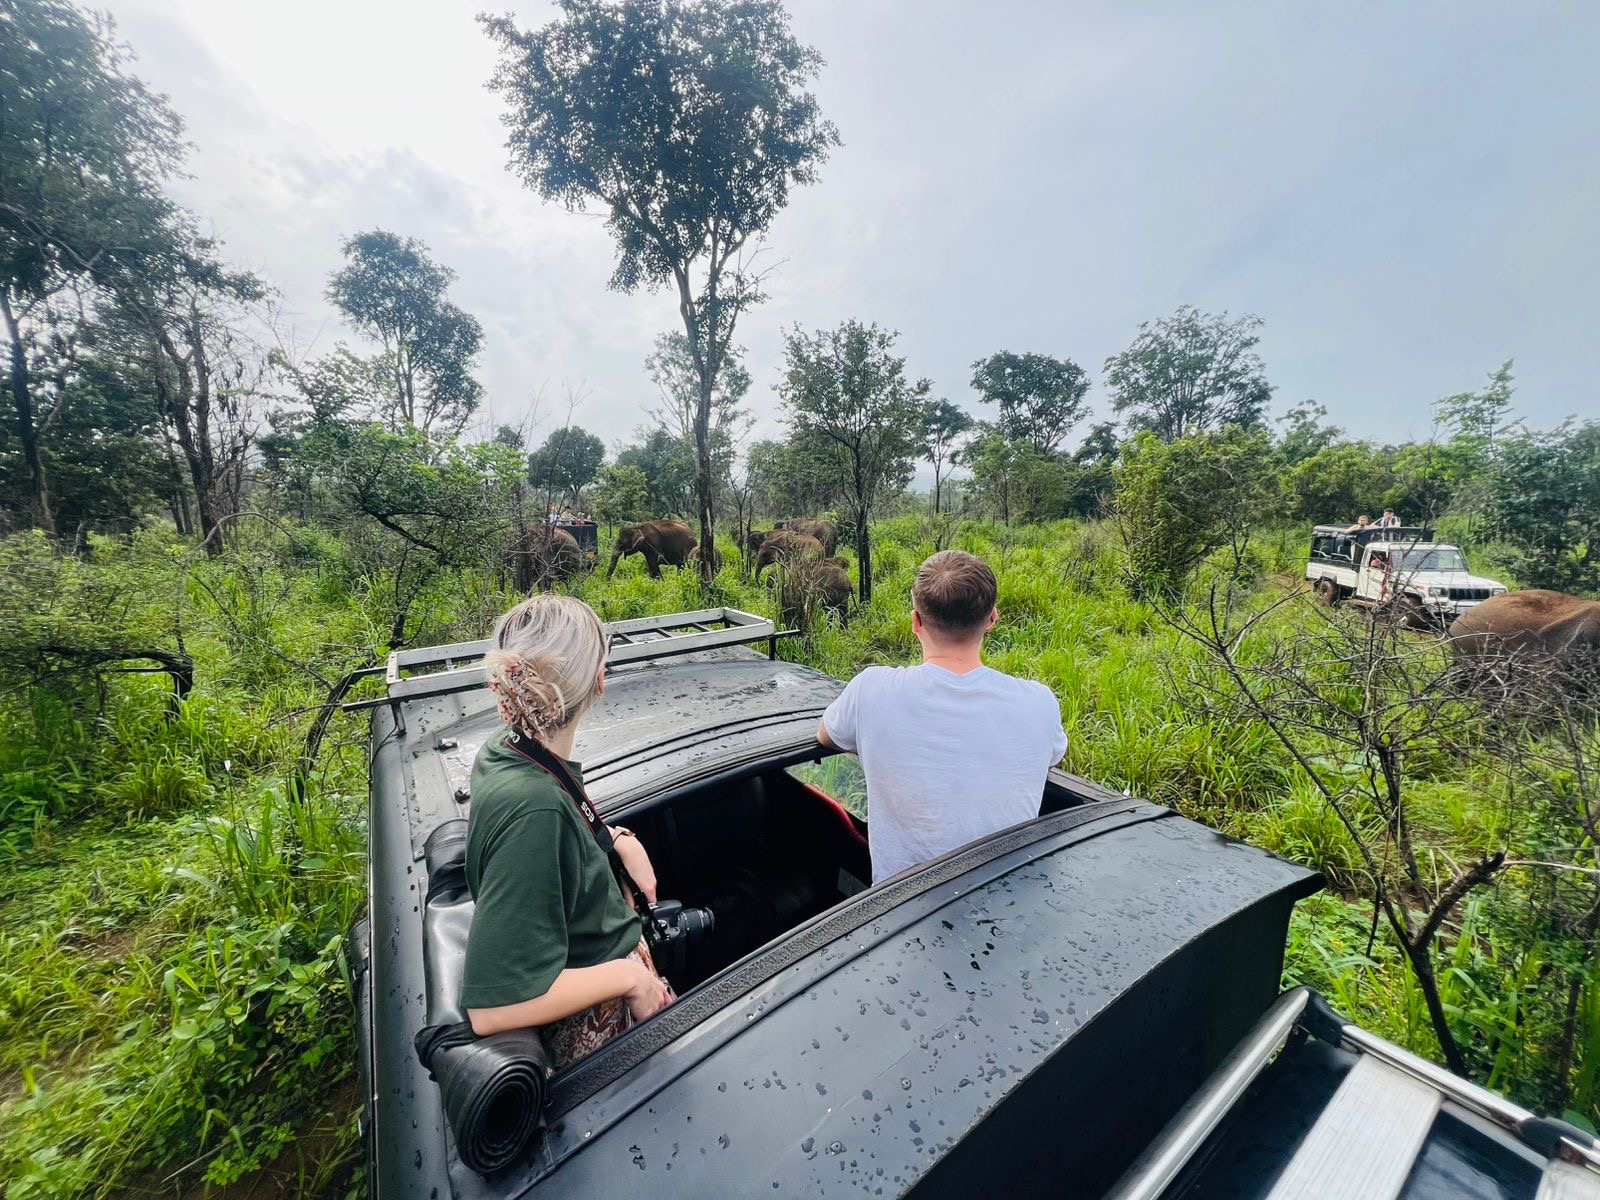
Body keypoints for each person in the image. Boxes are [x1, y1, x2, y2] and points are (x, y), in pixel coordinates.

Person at [460, 595, 672, 1066]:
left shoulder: (511, 747)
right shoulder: (532, 808)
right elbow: (492, 1007)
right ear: (598, 680)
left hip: (599, 958)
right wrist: (631, 979)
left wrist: (612, 838)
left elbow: (554, 821)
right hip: (602, 1016)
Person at [816, 550, 1068, 884]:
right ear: (993, 618)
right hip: (1007, 901)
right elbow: (1048, 759)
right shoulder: (1040, 701)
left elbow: (826, 736)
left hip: (901, 907)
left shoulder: (870, 688)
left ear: (915, 621)